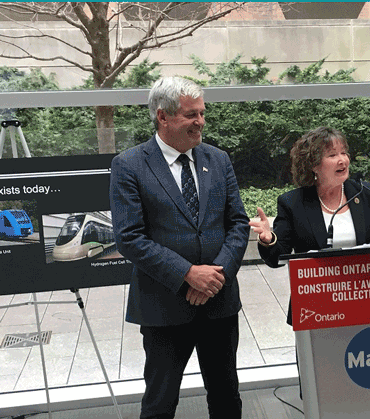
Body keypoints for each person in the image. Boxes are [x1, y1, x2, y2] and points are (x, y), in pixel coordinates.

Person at [109, 76, 250, 419]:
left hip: (218, 303)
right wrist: (188, 274)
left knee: (226, 397)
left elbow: (238, 223)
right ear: (163, 117)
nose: (200, 121)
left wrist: (214, 276)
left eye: (202, 113)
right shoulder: (129, 165)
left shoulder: (218, 160)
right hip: (164, 306)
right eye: (191, 115)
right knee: (160, 402)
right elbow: (129, 237)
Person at [249, 126, 370, 325]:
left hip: (365, 301)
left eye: (344, 152)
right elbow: (277, 257)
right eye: (332, 155)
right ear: (314, 165)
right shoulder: (293, 203)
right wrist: (268, 239)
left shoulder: (364, 193)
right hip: (316, 308)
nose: (342, 159)